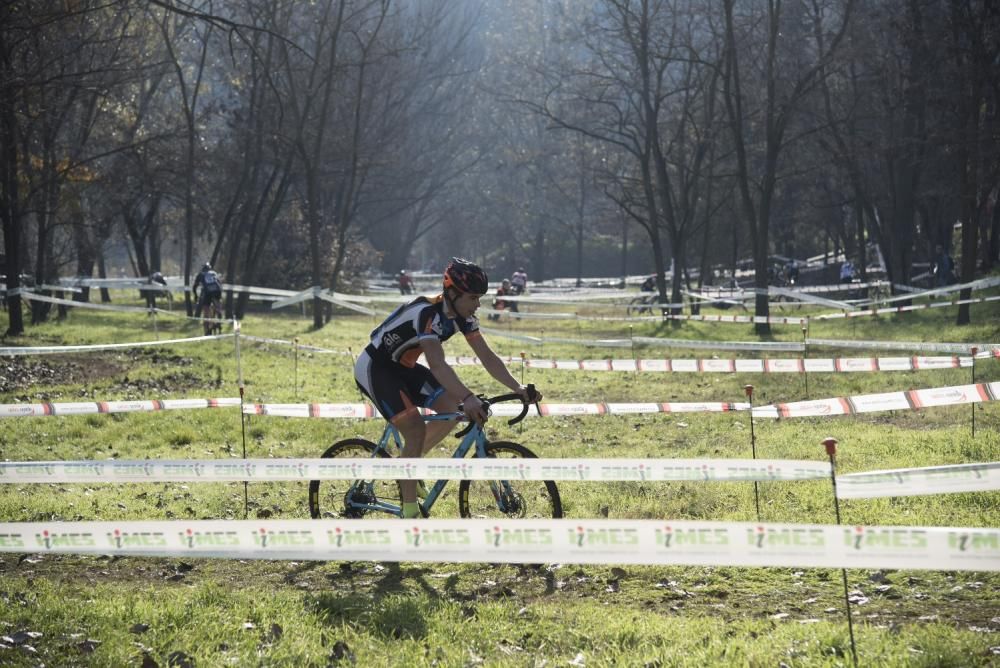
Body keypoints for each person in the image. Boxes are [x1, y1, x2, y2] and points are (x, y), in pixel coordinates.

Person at [354, 257, 540, 519]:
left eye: (479, 298)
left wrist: (518, 387)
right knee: (416, 429)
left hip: (404, 367)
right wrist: (468, 395)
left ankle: (409, 467)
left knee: (453, 409)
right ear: (452, 294)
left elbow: (487, 357)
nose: (477, 305)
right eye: (473, 298)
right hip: (376, 367)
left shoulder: (463, 316)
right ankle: (409, 513)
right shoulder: (427, 315)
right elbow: (438, 365)